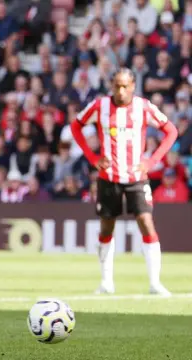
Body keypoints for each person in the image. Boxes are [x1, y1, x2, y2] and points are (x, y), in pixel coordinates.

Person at [70, 67, 178, 296]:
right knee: (107, 226)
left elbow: (171, 131)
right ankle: (107, 282)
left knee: (146, 222)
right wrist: (92, 157)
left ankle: (155, 283)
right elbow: (76, 126)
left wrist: (151, 162)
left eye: (124, 86)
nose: (120, 91)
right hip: (108, 178)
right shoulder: (100, 106)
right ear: (111, 86)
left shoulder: (144, 107)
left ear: (132, 86)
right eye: (116, 85)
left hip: (136, 177)